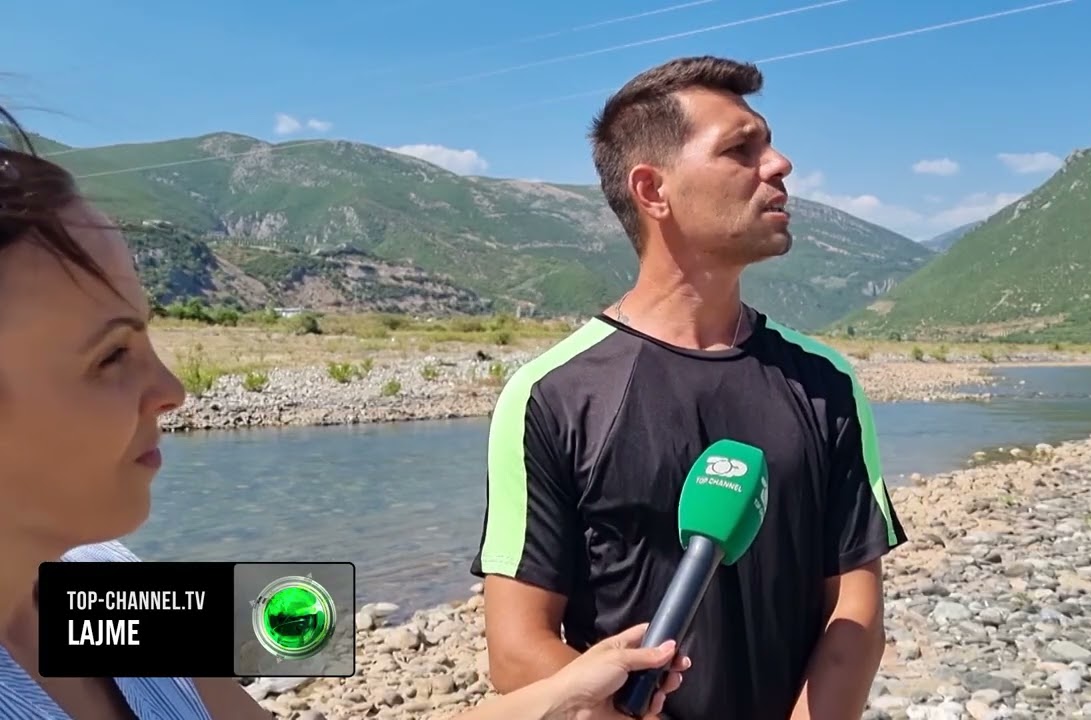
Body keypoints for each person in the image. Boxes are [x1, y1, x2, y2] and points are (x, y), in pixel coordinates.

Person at [0, 107, 688, 719]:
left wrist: (557, 700)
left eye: (147, 335)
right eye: (111, 355)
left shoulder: (100, 581)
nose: (173, 389)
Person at [470, 55, 909, 720]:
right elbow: (517, 649)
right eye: (741, 149)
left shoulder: (826, 382)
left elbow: (853, 610)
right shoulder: (550, 395)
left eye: (769, 143)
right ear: (653, 190)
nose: (780, 164)